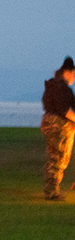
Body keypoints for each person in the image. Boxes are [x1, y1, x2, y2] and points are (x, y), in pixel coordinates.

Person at [41, 56, 75, 201]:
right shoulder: (61, 88)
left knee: (54, 157)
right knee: (58, 158)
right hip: (59, 127)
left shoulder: (52, 86)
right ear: (68, 72)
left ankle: (52, 189)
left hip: (50, 124)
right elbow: (65, 109)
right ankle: (52, 191)